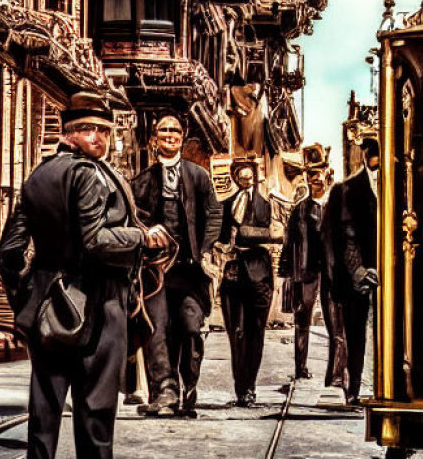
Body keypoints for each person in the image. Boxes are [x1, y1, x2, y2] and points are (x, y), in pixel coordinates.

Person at [0, 92, 170, 459]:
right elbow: (95, 241)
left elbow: (8, 251)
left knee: (43, 412)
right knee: (95, 414)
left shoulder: (39, 174)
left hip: (47, 307)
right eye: (87, 130)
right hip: (99, 303)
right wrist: (143, 236)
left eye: (103, 131)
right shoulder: (89, 174)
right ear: (69, 133)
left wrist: (26, 299)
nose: (98, 138)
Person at [132, 114, 222, 417]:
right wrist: (147, 236)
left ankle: (189, 387)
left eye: (174, 130)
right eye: (163, 130)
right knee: (156, 331)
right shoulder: (142, 180)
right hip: (156, 274)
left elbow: (214, 215)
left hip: (191, 273)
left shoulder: (199, 176)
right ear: (155, 139)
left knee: (190, 328)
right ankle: (165, 392)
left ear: (182, 137)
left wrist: (206, 251)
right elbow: (135, 219)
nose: (169, 135)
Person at [278, 145, 347, 386]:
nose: (316, 178)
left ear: (328, 173)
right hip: (305, 270)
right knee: (302, 319)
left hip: (333, 272)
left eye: (319, 173)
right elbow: (290, 241)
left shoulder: (339, 205)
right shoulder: (300, 209)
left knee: (336, 323)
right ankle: (300, 368)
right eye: (311, 174)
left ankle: (337, 374)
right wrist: (287, 273)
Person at [218, 157, 279, 406]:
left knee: (255, 334)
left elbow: (272, 232)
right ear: (235, 178)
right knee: (236, 334)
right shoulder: (227, 204)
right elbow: (220, 237)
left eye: (248, 177)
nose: (245, 180)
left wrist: (243, 236)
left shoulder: (266, 204)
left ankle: (250, 387)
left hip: (258, 276)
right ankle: (240, 389)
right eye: (240, 177)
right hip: (232, 276)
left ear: (254, 177)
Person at [325, 137, 380, 406]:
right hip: (356, 276)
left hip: (392, 275)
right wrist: (357, 270)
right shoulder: (345, 190)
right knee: (354, 333)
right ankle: (354, 389)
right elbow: (340, 236)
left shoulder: (404, 184)